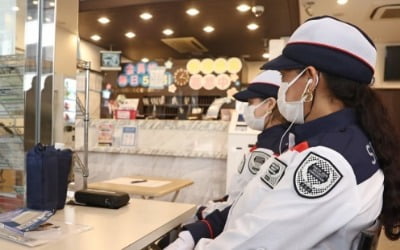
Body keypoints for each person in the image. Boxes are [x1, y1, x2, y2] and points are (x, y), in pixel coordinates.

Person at [193, 16, 400, 249]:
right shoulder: (349, 140)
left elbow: (250, 244)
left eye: (284, 77)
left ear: (311, 79)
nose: (281, 87)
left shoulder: (329, 160)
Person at [163, 70, 288, 249]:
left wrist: (199, 228)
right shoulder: (275, 141)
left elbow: (244, 206)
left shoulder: (269, 150)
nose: (247, 109)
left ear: (269, 104)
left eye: (251, 103)